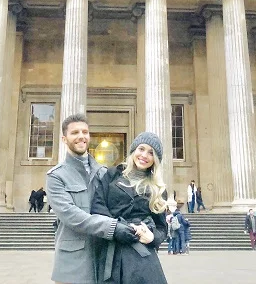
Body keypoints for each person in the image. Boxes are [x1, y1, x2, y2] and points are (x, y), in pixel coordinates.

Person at [46, 113, 137, 284]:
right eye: (75, 133)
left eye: (85, 132)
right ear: (64, 139)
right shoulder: (56, 176)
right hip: (73, 263)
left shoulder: (104, 172)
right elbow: (72, 216)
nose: (81, 136)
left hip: (104, 257)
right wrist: (113, 227)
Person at [91, 131, 169, 283]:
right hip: (110, 251)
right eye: (141, 149)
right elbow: (98, 206)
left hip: (140, 258)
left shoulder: (157, 189)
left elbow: (162, 228)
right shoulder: (112, 175)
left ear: (156, 159)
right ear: (133, 150)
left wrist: (152, 237)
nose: (145, 155)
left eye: (151, 153)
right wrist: (115, 228)